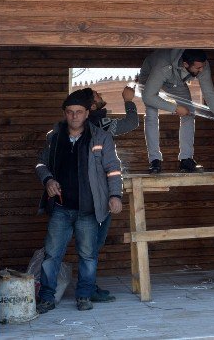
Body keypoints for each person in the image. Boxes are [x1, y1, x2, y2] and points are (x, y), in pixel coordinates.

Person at [34, 89, 123, 313]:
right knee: (52, 255)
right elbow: (40, 164)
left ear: (86, 113)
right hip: (61, 209)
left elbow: (113, 169)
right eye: (70, 112)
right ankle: (46, 298)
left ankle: (84, 295)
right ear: (65, 113)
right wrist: (48, 180)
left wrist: (115, 195)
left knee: (88, 255)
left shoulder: (100, 137)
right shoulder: (53, 137)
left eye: (79, 112)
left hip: (89, 209)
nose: (74, 116)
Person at [78, 86, 139, 303]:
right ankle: (87, 289)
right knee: (93, 244)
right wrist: (128, 100)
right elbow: (132, 123)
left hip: (80, 195)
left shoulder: (77, 126)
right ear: (92, 106)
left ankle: (87, 287)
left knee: (88, 245)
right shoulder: (100, 123)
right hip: (99, 195)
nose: (101, 95)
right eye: (96, 95)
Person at [139, 49, 214, 173]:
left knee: (189, 112)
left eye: (203, 67)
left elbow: (209, 93)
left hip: (175, 80)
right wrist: (174, 108)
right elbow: (148, 97)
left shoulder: (202, 65)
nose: (202, 70)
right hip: (150, 74)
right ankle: (155, 161)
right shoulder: (162, 66)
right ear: (186, 64)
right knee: (151, 112)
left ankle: (186, 160)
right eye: (198, 68)